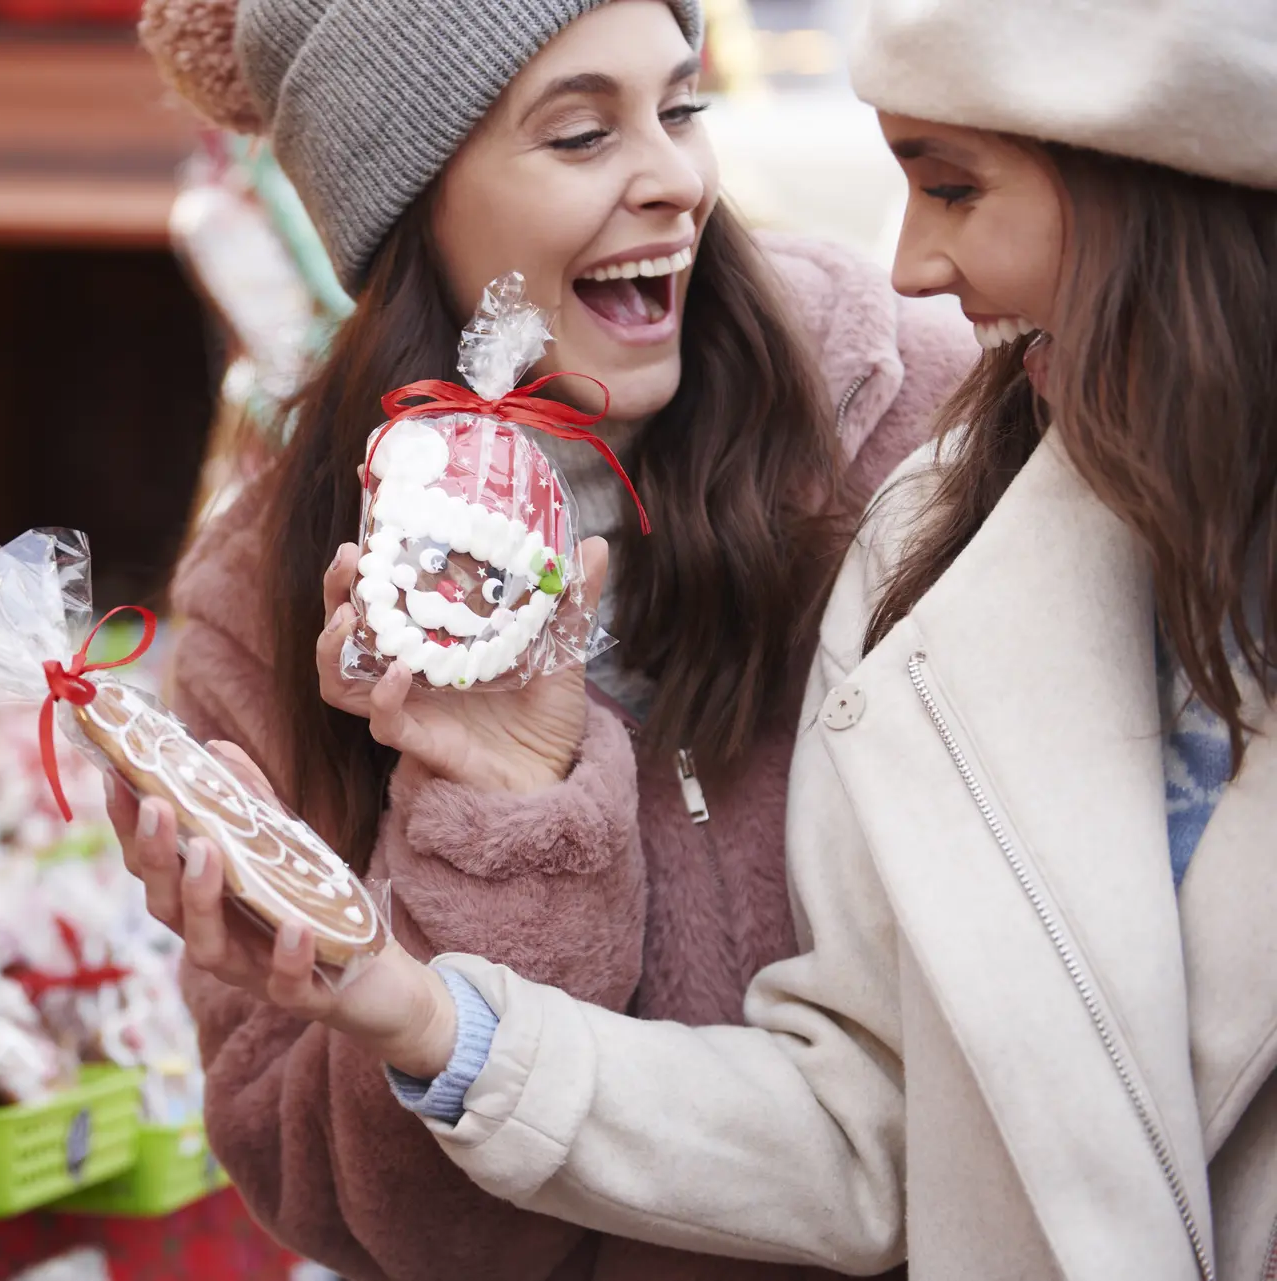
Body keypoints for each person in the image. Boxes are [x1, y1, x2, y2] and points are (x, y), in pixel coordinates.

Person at [136, 0, 1277, 1278]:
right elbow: (381, 1217)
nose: (677, 178)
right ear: (407, 204)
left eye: (683, 108)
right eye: (579, 134)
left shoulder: (938, 438)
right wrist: (490, 864)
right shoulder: (275, 593)